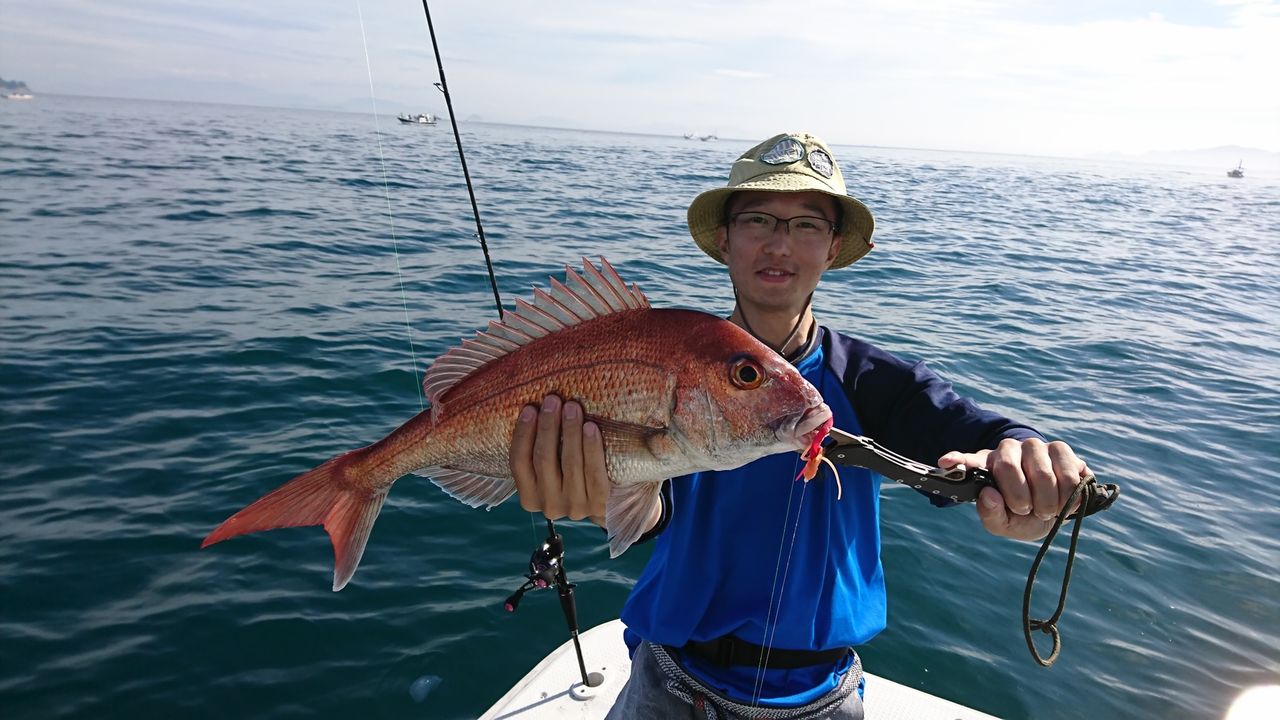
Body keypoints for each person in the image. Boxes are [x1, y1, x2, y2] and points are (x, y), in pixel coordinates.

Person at [508, 132, 1091, 719]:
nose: (779, 245)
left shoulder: (870, 382)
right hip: (668, 677)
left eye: (807, 225)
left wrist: (1026, 460)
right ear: (724, 239)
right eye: (758, 220)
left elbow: (977, 432)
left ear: (833, 247)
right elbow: (658, 512)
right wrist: (598, 492)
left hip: (819, 698)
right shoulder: (672, 363)